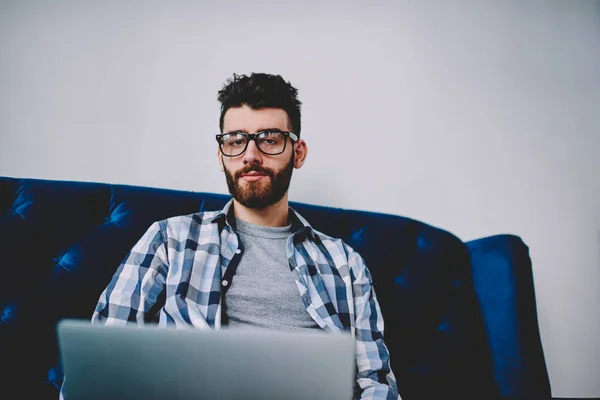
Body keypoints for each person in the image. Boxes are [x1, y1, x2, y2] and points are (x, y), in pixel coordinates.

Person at [89, 73, 399, 399]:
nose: (250, 155)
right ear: (221, 154)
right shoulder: (169, 240)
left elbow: (375, 383)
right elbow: (100, 363)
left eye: (269, 139)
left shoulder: (345, 264)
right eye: (236, 140)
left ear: (298, 152)